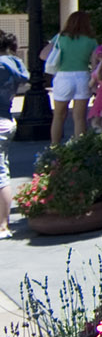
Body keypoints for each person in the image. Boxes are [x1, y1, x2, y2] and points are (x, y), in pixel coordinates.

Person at [43, 10, 97, 146]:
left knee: (59, 115)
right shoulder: (91, 41)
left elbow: (43, 55)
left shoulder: (60, 38)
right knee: (79, 118)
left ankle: (54, 146)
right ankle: (80, 148)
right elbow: (95, 64)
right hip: (83, 76)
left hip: (63, 77)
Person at [0, 35, 28, 238]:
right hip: (6, 120)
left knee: (1, 175)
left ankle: (3, 225)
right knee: (3, 169)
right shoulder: (13, 63)